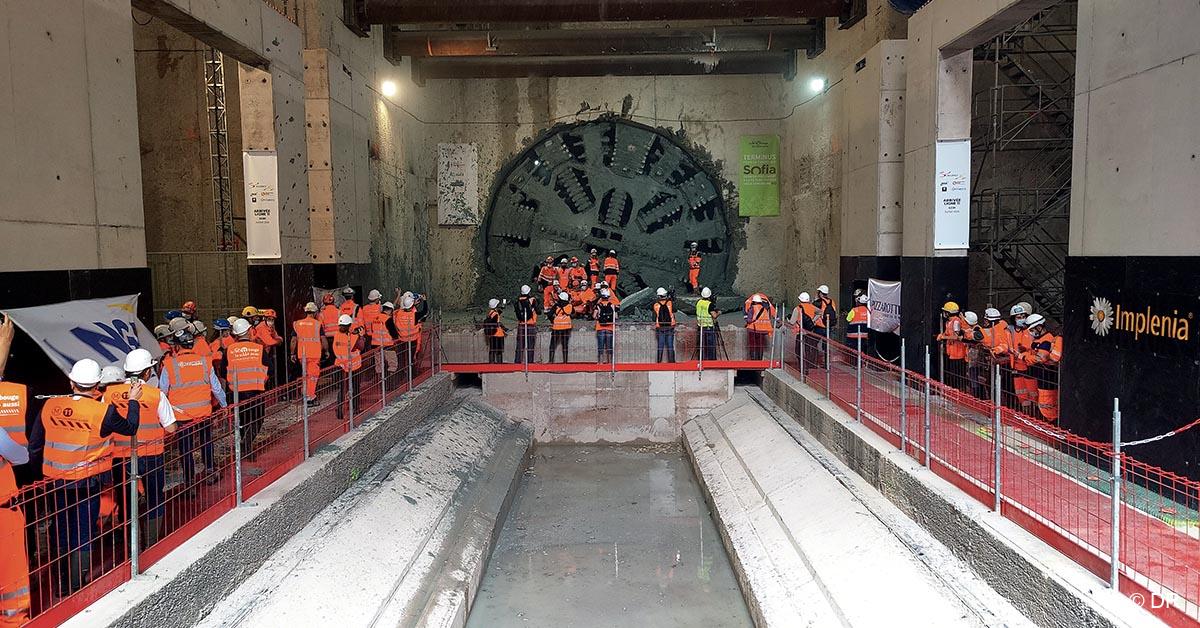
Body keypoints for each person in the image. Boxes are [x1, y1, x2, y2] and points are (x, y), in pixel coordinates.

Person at [31, 358, 140, 595]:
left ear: (72, 383)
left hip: (55, 480)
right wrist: (133, 400)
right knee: (81, 529)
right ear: (97, 384)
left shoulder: (50, 406)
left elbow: (35, 446)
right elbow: (131, 428)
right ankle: (75, 580)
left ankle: (61, 580)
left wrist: (37, 477)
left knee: (60, 527)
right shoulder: (103, 411)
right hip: (86, 481)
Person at [107, 349, 178, 549]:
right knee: (155, 497)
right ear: (147, 372)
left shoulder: (109, 395)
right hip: (152, 455)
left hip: (120, 458)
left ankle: (132, 544)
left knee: (126, 500)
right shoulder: (156, 395)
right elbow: (171, 428)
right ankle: (152, 542)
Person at [162, 331, 227, 486]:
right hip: (203, 412)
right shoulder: (205, 362)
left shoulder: (169, 365)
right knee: (206, 442)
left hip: (181, 416)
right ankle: (210, 471)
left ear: (177, 346)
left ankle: (190, 481)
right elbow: (216, 388)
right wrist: (224, 405)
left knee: (186, 449)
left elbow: (163, 391)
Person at [223, 319, 266, 460]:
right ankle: (246, 444)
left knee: (242, 420)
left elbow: (223, 371)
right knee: (257, 419)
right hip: (256, 390)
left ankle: (243, 443)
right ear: (249, 331)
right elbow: (268, 367)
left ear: (235, 334)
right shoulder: (259, 349)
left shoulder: (228, 350)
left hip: (236, 392)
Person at [1021, 314, 1062, 422]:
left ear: (1039, 327)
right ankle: (1049, 419)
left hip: (1048, 375)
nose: (1030, 332)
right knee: (1045, 399)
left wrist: (1025, 357)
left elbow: (1040, 358)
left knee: (1047, 400)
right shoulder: (1039, 340)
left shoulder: (1046, 340)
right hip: (1043, 374)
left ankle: (1052, 421)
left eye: (1032, 329)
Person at [292, 303, 326, 406]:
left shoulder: (297, 324)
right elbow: (323, 339)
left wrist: (292, 353)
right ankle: (310, 397)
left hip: (302, 354)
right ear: (315, 312)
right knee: (313, 376)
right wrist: (327, 350)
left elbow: (293, 341)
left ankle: (306, 394)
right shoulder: (317, 324)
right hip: (314, 354)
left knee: (305, 375)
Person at [331, 314, 364, 420]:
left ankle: (339, 409)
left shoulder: (336, 335)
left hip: (340, 365)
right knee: (355, 387)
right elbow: (361, 346)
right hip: (353, 366)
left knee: (343, 389)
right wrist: (361, 336)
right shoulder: (352, 338)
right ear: (349, 325)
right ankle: (355, 408)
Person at [1006, 303, 1036, 412]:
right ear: (1013, 319)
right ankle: (1025, 412)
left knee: (1033, 392)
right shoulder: (1009, 330)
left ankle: (1034, 412)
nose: (1021, 319)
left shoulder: (1031, 331)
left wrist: (1025, 350)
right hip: (1016, 366)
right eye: (1018, 317)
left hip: (1029, 365)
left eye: (1023, 317)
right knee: (1020, 392)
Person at [392, 292, 426, 378]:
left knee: (401, 359)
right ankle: (412, 376)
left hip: (401, 340)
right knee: (411, 358)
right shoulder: (414, 315)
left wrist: (399, 295)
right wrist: (424, 301)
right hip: (412, 340)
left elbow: (396, 308)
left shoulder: (398, 314)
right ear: (412, 305)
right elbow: (425, 311)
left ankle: (400, 376)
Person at [936, 301, 968, 390]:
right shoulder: (949, 322)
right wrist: (942, 335)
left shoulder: (956, 322)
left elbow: (957, 336)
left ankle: (960, 392)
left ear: (948, 313)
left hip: (958, 353)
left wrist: (943, 337)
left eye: (945, 311)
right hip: (952, 353)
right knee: (953, 374)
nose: (944, 313)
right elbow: (947, 333)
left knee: (958, 375)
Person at [788, 292, 824, 372]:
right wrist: (813, 320)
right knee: (807, 349)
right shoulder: (812, 307)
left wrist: (788, 319)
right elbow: (820, 312)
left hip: (800, 332)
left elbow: (792, 322)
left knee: (798, 350)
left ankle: (802, 366)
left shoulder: (797, 308)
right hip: (809, 331)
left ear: (800, 299)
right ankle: (807, 366)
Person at [744, 294, 776, 361]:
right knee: (760, 345)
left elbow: (749, 319)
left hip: (753, 329)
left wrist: (748, 321)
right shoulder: (764, 309)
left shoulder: (752, 308)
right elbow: (768, 318)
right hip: (762, 330)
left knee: (753, 345)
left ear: (754, 301)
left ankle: (753, 359)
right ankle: (759, 360)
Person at [513, 286, 538, 364]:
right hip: (530, 324)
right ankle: (530, 362)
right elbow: (538, 310)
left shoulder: (518, 300)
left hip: (521, 324)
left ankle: (517, 362)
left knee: (520, 345)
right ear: (529, 292)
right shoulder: (532, 300)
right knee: (530, 345)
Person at [548, 292, 574, 363]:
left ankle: (551, 361)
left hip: (556, 327)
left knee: (552, 345)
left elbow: (549, 314)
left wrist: (552, 320)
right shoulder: (569, 306)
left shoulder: (556, 305)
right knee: (565, 345)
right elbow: (573, 313)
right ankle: (565, 361)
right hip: (566, 327)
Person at [652, 288, 676, 363]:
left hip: (660, 328)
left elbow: (653, 318)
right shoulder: (670, 303)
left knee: (660, 346)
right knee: (670, 346)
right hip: (670, 327)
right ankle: (672, 363)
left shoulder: (655, 305)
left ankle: (659, 362)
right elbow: (675, 310)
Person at [594, 289, 618, 364]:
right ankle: (610, 362)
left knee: (601, 347)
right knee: (609, 347)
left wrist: (599, 317)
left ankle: (600, 362)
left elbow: (594, 316)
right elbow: (616, 317)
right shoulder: (612, 305)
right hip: (610, 328)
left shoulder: (598, 305)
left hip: (600, 327)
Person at [695, 287, 719, 361]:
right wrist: (719, 312)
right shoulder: (710, 304)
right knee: (711, 346)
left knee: (701, 346)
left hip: (700, 327)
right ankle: (712, 361)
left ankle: (701, 360)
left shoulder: (698, 302)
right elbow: (714, 315)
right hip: (708, 327)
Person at [483, 299, 507, 364]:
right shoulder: (495, 314)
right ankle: (499, 364)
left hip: (492, 334)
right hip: (498, 334)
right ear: (496, 305)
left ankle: (491, 363)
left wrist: (503, 306)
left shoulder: (490, 313)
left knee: (492, 349)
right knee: (499, 351)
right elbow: (495, 322)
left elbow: (500, 311)